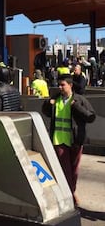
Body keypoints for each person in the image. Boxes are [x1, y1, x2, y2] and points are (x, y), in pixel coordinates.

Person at [42, 74, 95, 206]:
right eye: (59, 85)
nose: (60, 87)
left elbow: (91, 117)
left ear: (70, 85)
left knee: (74, 170)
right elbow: (46, 111)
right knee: (65, 170)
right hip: (59, 139)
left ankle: (71, 191)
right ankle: (70, 195)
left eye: (62, 84)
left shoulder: (79, 100)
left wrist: (76, 106)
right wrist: (48, 104)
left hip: (75, 140)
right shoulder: (55, 99)